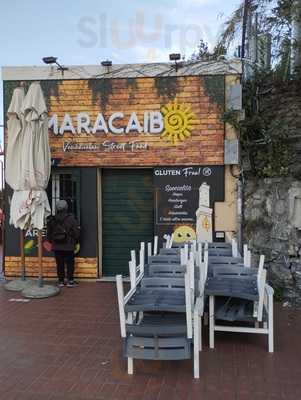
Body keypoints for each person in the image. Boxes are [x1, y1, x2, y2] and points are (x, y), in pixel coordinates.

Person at [47, 200, 80, 287]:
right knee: (70, 263)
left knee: (59, 264)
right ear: (66, 208)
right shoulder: (71, 218)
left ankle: (61, 281)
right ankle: (70, 281)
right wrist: (75, 241)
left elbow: (49, 234)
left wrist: (52, 242)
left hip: (56, 246)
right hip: (69, 245)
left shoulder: (52, 219)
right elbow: (76, 233)